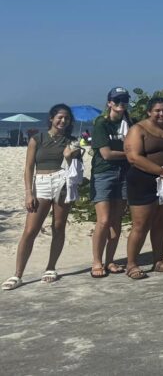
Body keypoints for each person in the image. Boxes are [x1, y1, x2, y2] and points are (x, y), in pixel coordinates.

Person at [4, 105, 80, 290]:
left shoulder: (72, 141)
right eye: (60, 117)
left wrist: (71, 154)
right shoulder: (37, 139)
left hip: (63, 182)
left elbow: (76, 167)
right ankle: (17, 274)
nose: (63, 121)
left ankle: (51, 267)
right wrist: (29, 193)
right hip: (42, 183)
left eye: (67, 118)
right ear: (52, 118)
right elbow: (29, 168)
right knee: (30, 230)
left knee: (58, 226)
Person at [124, 97, 163, 278]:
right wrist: (160, 171)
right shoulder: (138, 129)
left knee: (161, 223)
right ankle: (131, 264)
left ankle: (158, 260)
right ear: (149, 112)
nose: (162, 114)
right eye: (157, 110)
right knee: (140, 225)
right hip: (142, 180)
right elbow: (133, 157)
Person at [89, 87, 131, 278]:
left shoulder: (129, 123)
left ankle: (110, 260)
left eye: (124, 100)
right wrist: (132, 155)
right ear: (109, 103)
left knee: (116, 221)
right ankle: (97, 261)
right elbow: (106, 154)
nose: (121, 103)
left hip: (124, 173)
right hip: (104, 174)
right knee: (104, 220)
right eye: (117, 100)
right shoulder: (102, 124)